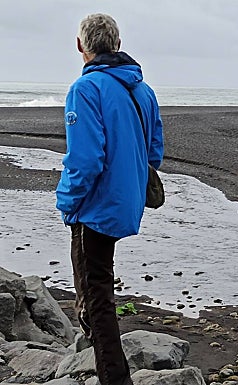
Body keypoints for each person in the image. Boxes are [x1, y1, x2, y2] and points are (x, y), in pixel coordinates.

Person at [56, 13, 164, 385]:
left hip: (95, 210)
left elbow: (86, 160)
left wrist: (66, 203)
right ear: (117, 44)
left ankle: (114, 378)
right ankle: (98, 364)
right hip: (126, 204)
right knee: (97, 287)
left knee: (95, 297)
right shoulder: (143, 90)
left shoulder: (85, 89)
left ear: (80, 46)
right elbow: (154, 153)